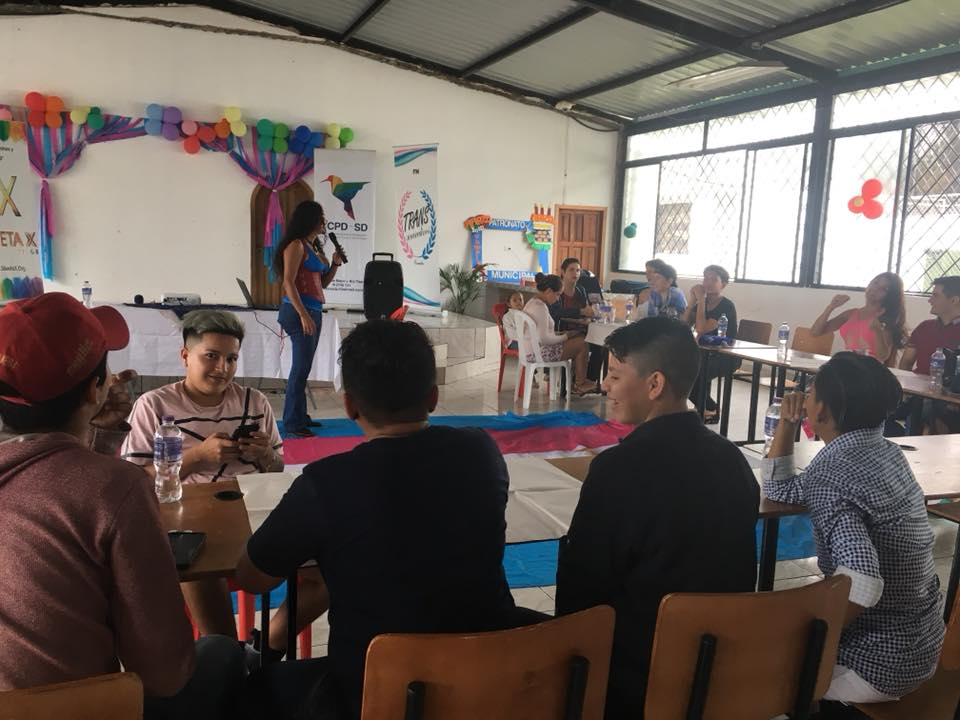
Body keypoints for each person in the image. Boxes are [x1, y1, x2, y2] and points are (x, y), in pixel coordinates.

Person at [235, 320, 525, 719]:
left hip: (372, 694)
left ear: (349, 405)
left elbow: (253, 577)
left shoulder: (326, 483)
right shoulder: (481, 450)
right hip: (489, 678)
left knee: (254, 690)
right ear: (433, 397)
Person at [0, 293, 243, 719]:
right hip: (81, 708)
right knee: (223, 653)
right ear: (95, 388)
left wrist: (96, 434)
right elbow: (165, 674)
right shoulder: (117, 488)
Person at [556, 317, 759, 719]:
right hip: (720, 669)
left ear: (654, 385)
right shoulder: (734, 461)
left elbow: (581, 595)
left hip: (635, 680)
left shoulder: (618, 470)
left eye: (615, 375)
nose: (605, 386)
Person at [121, 309, 325, 655]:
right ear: (185, 356)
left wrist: (264, 455)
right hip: (190, 521)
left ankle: (265, 648)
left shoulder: (254, 401)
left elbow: (278, 468)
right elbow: (134, 484)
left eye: (231, 359)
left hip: (255, 515)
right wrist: (197, 457)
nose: (223, 368)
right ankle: (229, 655)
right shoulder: (154, 406)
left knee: (329, 566)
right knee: (199, 565)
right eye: (211, 356)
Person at [763, 353, 944, 705]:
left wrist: (816, 640)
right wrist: (787, 423)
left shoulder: (831, 473)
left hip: (878, 665)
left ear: (821, 411)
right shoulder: (887, 453)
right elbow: (781, 489)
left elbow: (863, 583)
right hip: (924, 646)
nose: (805, 398)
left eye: (810, 393)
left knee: (757, 669)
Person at [274, 200, 344, 438]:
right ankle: (292, 423)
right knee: (300, 368)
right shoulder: (296, 245)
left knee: (304, 367)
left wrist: (335, 264)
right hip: (298, 312)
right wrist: (303, 314)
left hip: (313, 310)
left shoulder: (312, 246)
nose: (324, 221)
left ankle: (300, 416)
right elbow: (288, 282)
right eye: (321, 217)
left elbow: (322, 283)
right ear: (311, 219)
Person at [897, 275, 960, 434]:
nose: (929, 300)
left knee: (933, 411)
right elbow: (906, 363)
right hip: (916, 394)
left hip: (949, 399)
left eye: (935, 296)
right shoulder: (925, 327)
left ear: (954, 300)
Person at [811, 272, 907, 365]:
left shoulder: (885, 318)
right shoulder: (851, 314)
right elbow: (815, 332)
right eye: (875, 283)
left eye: (884, 289)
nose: (875, 289)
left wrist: (877, 331)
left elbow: (882, 356)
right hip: (848, 364)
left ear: (890, 296)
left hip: (870, 369)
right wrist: (831, 307)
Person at [523, 273, 595, 395]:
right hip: (539, 353)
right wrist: (566, 336)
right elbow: (545, 339)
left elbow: (541, 333)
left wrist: (561, 334)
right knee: (582, 343)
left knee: (578, 339)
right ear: (549, 291)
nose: (558, 299)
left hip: (531, 351)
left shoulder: (532, 302)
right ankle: (580, 384)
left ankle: (576, 382)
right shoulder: (540, 308)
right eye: (557, 295)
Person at [684, 264, 739, 418]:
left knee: (694, 372)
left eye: (713, 279)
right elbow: (683, 325)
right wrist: (692, 302)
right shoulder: (701, 304)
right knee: (680, 369)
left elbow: (701, 328)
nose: (707, 283)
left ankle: (710, 408)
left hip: (725, 355)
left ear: (723, 284)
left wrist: (701, 300)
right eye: (705, 278)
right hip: (704, 352)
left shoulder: (726, 306)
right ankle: (704, 407)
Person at [549, 257, 595, 332]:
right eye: (571, 270)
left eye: (578, 270)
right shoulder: (555, 290)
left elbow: (586, 310)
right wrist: (580, 311)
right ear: (563, 272)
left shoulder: (581, 290)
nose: (575, 273)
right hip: (560, 332)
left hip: (581, 331)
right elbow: (556, 312)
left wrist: (589, 314)